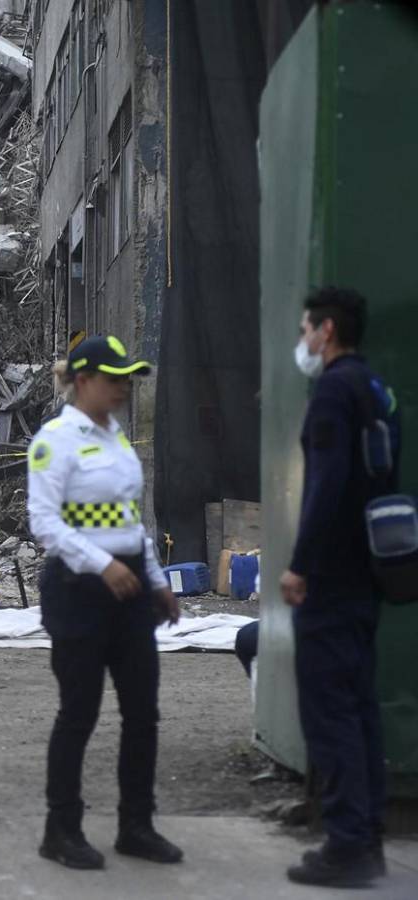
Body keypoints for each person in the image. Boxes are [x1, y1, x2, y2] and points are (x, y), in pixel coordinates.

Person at [27, 335, 182, 871]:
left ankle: (137, 825)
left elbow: (130, 523)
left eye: (128, 378)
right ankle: (61, 828)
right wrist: (102, 564)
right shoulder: (56, 440)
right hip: (80, 592)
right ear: (85, 380)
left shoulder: (117, 440)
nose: (123, 388)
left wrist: (158, 580)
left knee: (143, 713)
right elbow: (44, 523)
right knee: (80, 713)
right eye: (115, 378)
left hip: (131, 588)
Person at [279, 287, 398, 888]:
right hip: (368, 573)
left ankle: (347, 845)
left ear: (326, 331)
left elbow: (326, 484)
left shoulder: (332, 389)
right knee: (360, 707)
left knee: (329, 712)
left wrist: (300, 564)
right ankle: (368, 838)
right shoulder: (375, 389)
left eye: (305, 329)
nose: (302, 340)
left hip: (330, 576)